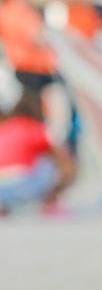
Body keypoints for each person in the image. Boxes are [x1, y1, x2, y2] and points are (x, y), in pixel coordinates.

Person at [0, 87, 75, 215]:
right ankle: (50, 203)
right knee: (52, 162)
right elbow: (60, 156)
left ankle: (3, 207)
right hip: (23, 185)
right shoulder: (34, 128)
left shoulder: (3, 127)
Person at [0, 0, 56, 94]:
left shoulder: (5, 10)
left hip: (21, 67)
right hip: (35, 67)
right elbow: (38, 37)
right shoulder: (19, 10)